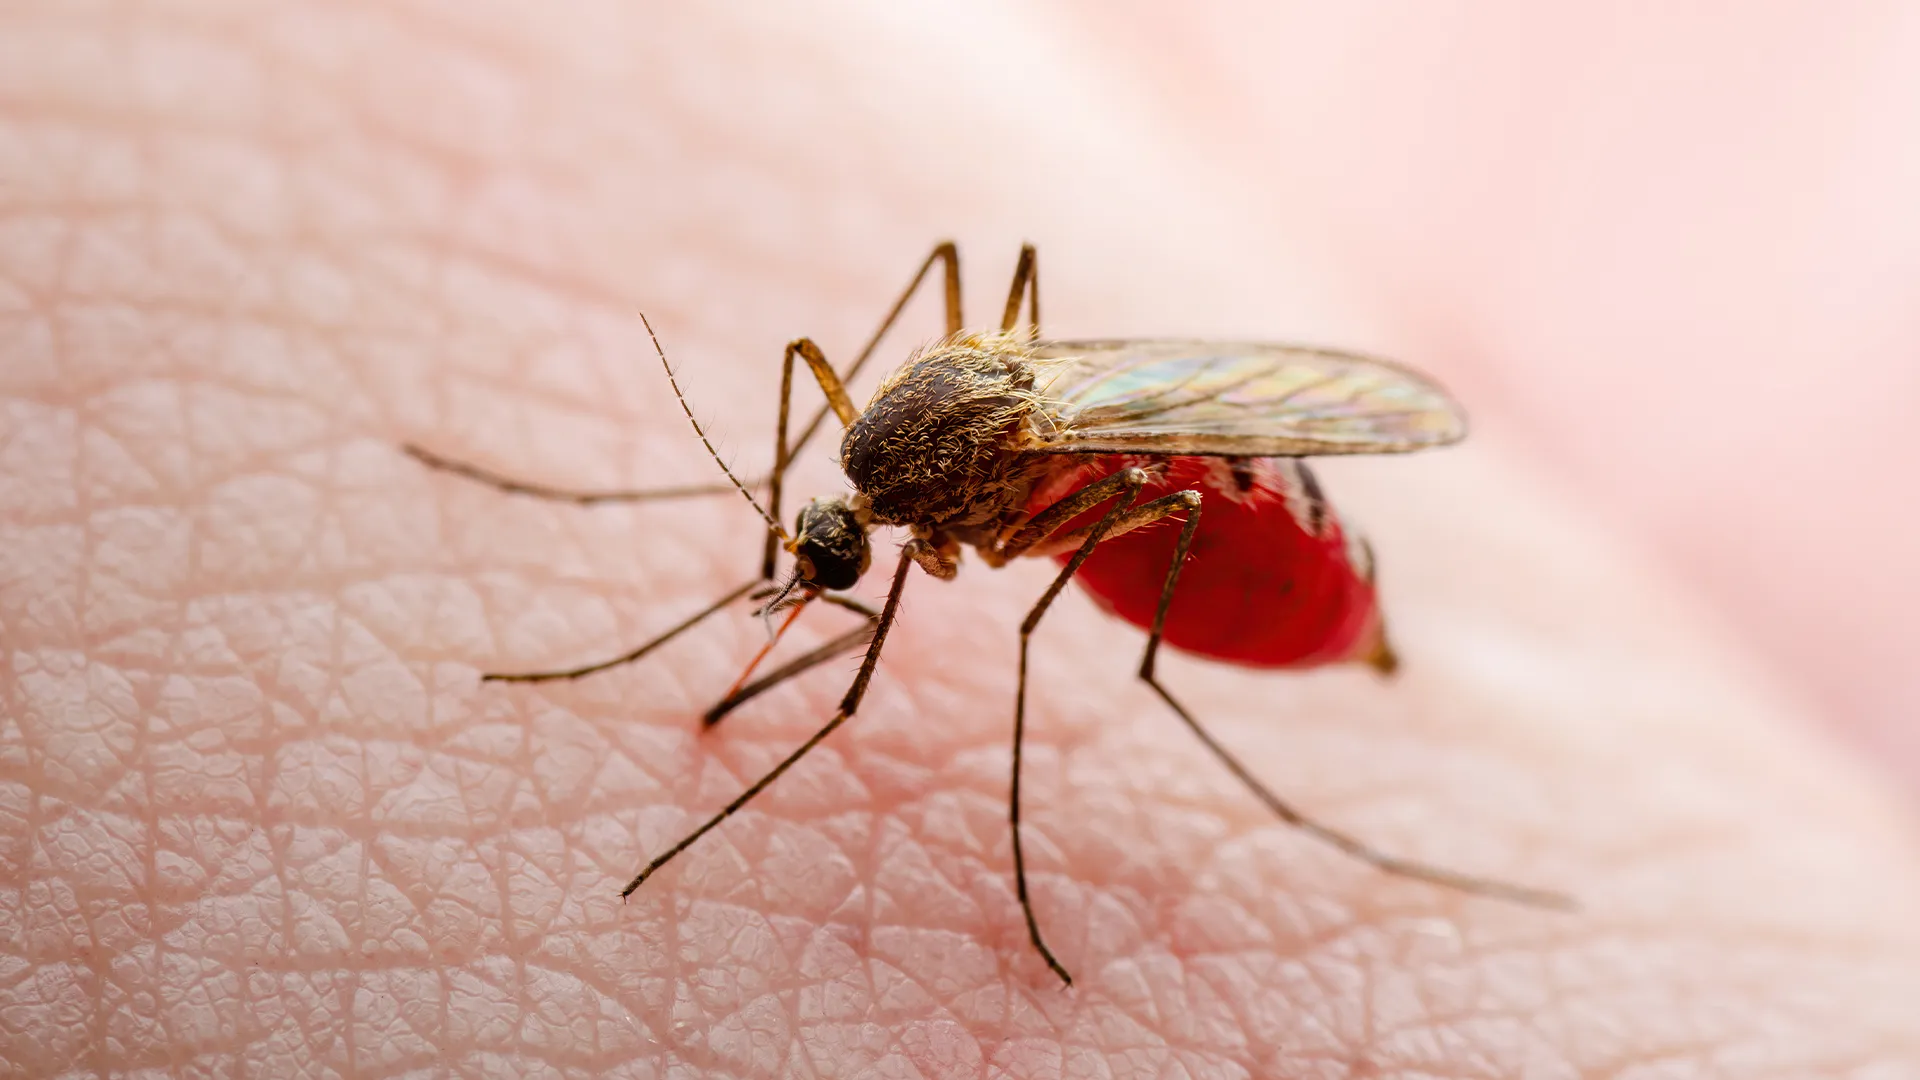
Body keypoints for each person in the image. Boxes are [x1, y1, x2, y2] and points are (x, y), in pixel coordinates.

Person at [4, 5, 1916, 1075]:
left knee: (1012, 632)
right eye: (810, 541)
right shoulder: (874, 456)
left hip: (1224, 515)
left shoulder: (928, 489)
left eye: (813, 546)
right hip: (1082, 455)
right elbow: (845, 504)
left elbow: (905, 617)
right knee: (977, 476)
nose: (813, 556)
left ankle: (1278, 784)